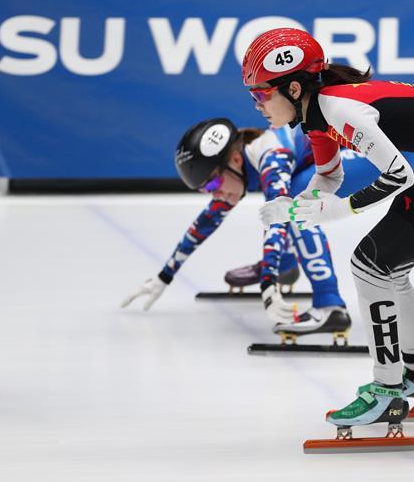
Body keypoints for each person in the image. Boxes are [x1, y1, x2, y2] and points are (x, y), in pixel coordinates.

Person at [244, 27, 414, 429]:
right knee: (389, 270)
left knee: (370, 265)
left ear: (293, 89)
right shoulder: (317, 114)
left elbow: (398, 174)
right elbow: (327, 177)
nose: (257, 104)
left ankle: (387, 391)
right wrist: (295, 209)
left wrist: (339, 211)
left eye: (261, 93)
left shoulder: (337, 109)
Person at [121, 118, 377, 339]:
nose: (214, 194)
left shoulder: (272, 156)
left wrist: (267, 282)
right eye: (205, 191)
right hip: (359, 151)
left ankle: (329, 306)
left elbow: (278, 217)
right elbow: (208, 220)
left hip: (378, 154)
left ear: (234, 160)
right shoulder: (242, 164)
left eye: (212, 186)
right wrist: (165, 275)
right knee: (288, 198)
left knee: (296, 201)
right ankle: (285, 266)